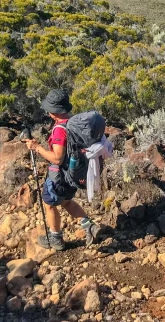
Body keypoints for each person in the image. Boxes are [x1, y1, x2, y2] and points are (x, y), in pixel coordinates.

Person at [24, 89, 101, 251]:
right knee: (66, 201)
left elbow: (57, 158)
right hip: (73, 173)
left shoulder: (59, 129)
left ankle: (56, 238)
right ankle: (90, 226)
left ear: (53, 112)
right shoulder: (74, 123)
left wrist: (37, 148)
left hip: (59, 176)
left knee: (49, 204)